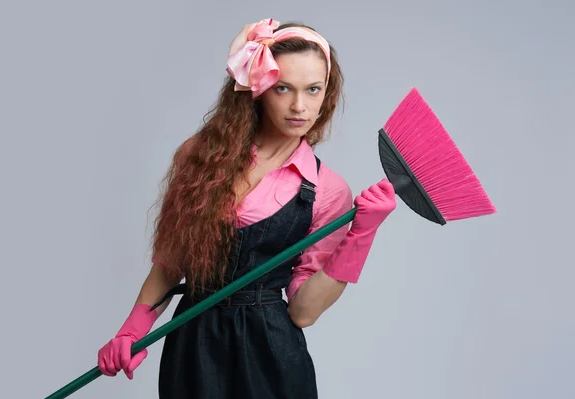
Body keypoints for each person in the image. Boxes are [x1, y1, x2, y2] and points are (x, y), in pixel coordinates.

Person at [97, 18, 397, 398]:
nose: (299, 106)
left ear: (327, 94)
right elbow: (171, 263)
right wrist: (131, 331)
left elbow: (303, 312)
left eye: (313, 90)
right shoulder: (200, 158)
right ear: (259, 88)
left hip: (270, 356)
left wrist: (363, 234)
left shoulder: (327, 191)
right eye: (283, 88)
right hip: (193, 347)